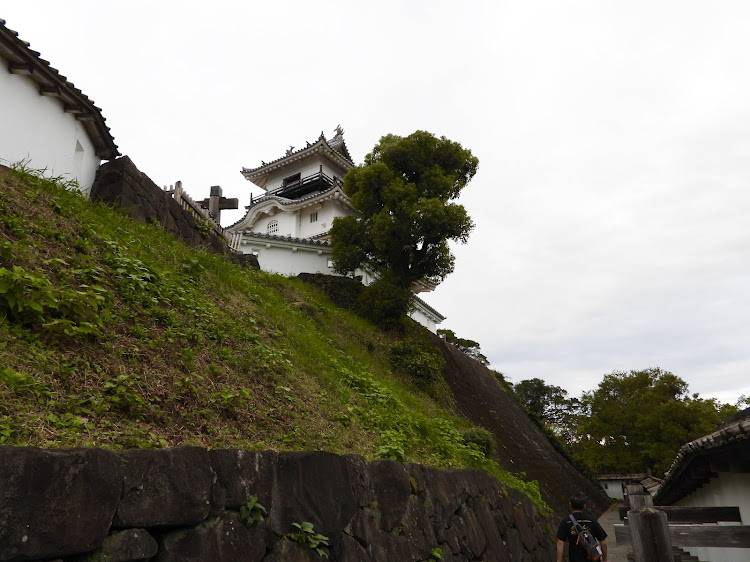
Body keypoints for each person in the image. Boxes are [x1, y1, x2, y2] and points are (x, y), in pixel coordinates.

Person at [556, 494, 608, 562]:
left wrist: (559, 560)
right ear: (584, 506)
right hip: (593, 558)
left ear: (570, 505)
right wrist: (604, 559)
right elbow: (603, 543)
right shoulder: (591, 520)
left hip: (575, 559)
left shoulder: (566, 521)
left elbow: (560, 542)